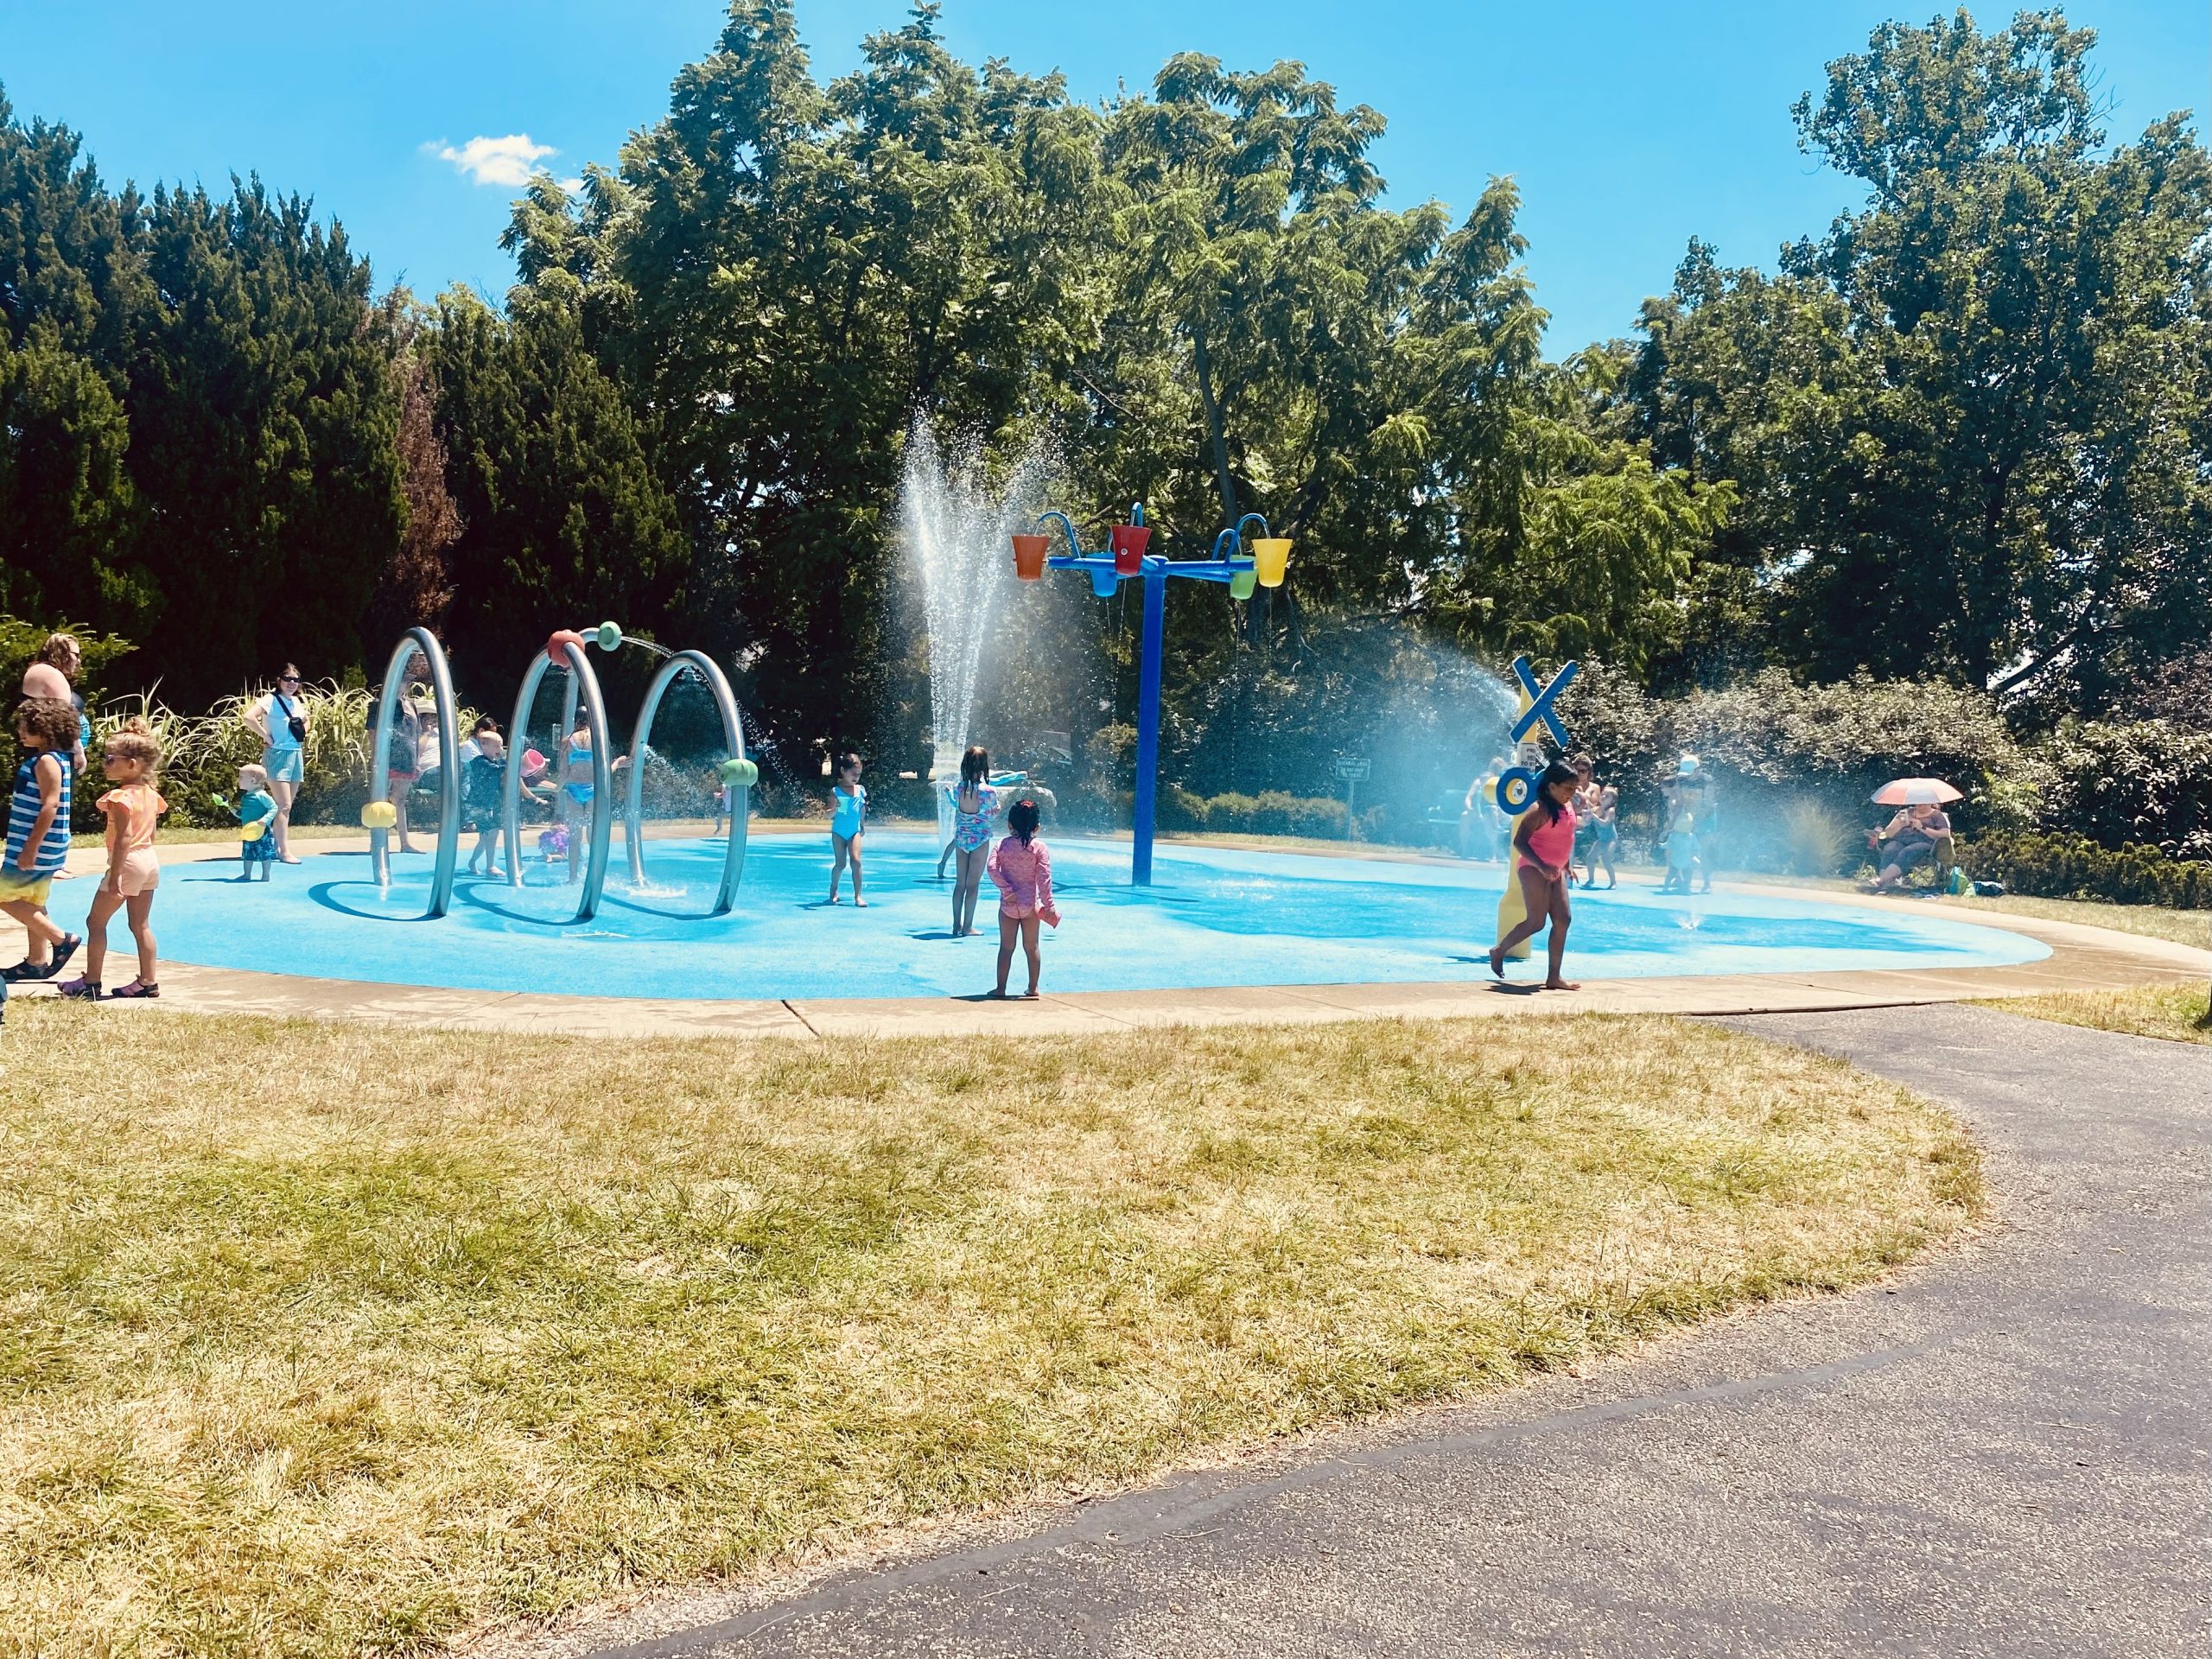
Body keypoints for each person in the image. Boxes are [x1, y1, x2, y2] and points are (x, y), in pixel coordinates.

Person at [59, 721, 167, 1000]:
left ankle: (91, 981)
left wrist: (116, 875)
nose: (105, 764)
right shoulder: (151, 794)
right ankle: (148, 981)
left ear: (132, 764)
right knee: (140, 925)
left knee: (95, 922)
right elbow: (151, 833)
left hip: (128, 862)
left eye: (110, 759)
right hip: (149, 861)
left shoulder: (119, 797)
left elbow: (123, 839)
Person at [1, 697, 81, 982]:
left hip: (36, 846)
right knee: (31, 901)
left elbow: (50, 806)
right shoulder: (54, 760)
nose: (21, 732)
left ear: (48, 730)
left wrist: (30, 848)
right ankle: (36, 962)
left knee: (4, 897)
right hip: (43, 846)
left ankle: (62, 940)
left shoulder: (47, 761)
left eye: (28, 727)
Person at [1488, 758, 1581, 991]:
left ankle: (1554, 977)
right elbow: (1520, 842)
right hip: (1533, 868)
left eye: (1574, 788)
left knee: (1563, 919)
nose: (1571, 793)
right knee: (1536, 922)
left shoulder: (1567, 807)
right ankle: (1499, 951)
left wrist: (1566, 864)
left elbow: (1566, 836)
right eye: (1567, 789)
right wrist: (1541, 866)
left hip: (1556, 870)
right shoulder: (1539, 810)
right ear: (1551, 787)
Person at [988, 796, 1058, 998]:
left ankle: (1001, 989)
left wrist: (1007, 890)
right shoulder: (1040, 848)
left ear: (1009, 824)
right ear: (1037, 827)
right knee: (1032, 946)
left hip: (1008, 905)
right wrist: (1049, 906)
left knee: (1006, 947)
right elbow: (1045, 879)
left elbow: (992, 868)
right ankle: (1033, 988)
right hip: (1030, 906)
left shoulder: (1001, 845)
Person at [243, 664, 308, 864]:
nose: (291, 683)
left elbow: (307, 720)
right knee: (284, 804)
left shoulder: (296, 701)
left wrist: (302, 731)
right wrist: (267, 737)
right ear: (279, 680)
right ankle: (283, 850)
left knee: (287, 806)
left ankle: (277, 845)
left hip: (295, 754)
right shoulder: (270, 700)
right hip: (277, 754)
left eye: (295, 680)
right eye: (287, 678)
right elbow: (248, 717)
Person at [945, 745, 999, 937]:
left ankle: (955, 925)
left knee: (960, 884)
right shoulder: (988, 792)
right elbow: (993, 813)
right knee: (972, 885)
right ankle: (968, 927)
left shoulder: (959, 789)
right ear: (984, 768)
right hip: (980, 840)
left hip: (961, 839)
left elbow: (957, 808)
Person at [20, 632, 88, 772]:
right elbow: (64, 717)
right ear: (61, 652)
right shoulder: (51, 674)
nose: (79, 661)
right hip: (57, 753)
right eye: (76, 655)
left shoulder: (41, 671)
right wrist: (78, 752)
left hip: (52, 751)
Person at [1871, 802, 1952, 893]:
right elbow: (1888, 833)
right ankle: (1884, 887)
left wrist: (1922, 828)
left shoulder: (1938, 816)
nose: (1919, 803)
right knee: (1890, 849)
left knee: (1908, 851)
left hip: (1924, 844)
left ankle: (1881, 880)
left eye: (1923, 801)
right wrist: (1901, 825)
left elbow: (1945, 835)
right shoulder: (1906, 813)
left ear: (1930, 802)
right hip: (1901, 841)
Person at [1659, 755, 1710, 895]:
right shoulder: (1680, 787)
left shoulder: (1705, 781)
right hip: (1684, 825)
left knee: (1688, 856)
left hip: (1689, 825)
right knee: (1679, 855)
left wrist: (1669, 830)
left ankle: (1700, 883)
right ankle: (1681, 881)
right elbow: (1680, 808)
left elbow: (1708, 804)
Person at [464, 726, 508, 878]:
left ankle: (472, 862)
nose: (500, 749)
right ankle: (490, 866)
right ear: (484, 746)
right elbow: (495, 770)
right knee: (493, 832)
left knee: (484, 838)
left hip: (488, 804)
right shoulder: (479, 762)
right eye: (496, 746)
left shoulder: (500, 762)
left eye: (501, 745)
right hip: (476, 805)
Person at [1571, 755, 1619, 890]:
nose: (1580, 774)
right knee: (1590, 858)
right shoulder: (1598, 809)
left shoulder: (1610, 811)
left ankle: (1613, 882)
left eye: (1583, 771)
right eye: (1577, 770)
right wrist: (1588, 814)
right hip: (1600, 838)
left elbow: (1603, 823)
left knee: (1606, 859)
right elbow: (1589, 812)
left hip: (1610, 839)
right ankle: (1591, 879)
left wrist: (1585, 804)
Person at [827, 752, 867, 906]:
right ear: (843, 771)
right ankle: (834, 888)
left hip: (854, 831)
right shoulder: (836, 792)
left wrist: (862, 824)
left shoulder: (860, 790)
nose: (856, 777)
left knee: (856, 861)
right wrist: (834, 809)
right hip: (838, 832)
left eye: (859, 774)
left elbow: (861, 809)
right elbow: (828, 815)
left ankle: (858, 896)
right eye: (853, 773)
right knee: (841, 864)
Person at [235, 765, 277, 881]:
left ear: (253, 781)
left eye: (241, 777)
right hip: (249, 831)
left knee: (265, 853)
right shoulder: (245, 797)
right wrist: (234, 811)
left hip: (262, 831)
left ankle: (265, 875)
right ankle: (247, 874)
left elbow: (273, 808)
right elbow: (244, 813)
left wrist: (266, 819)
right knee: (247, 853)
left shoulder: (261, 795)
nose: (239, 780)